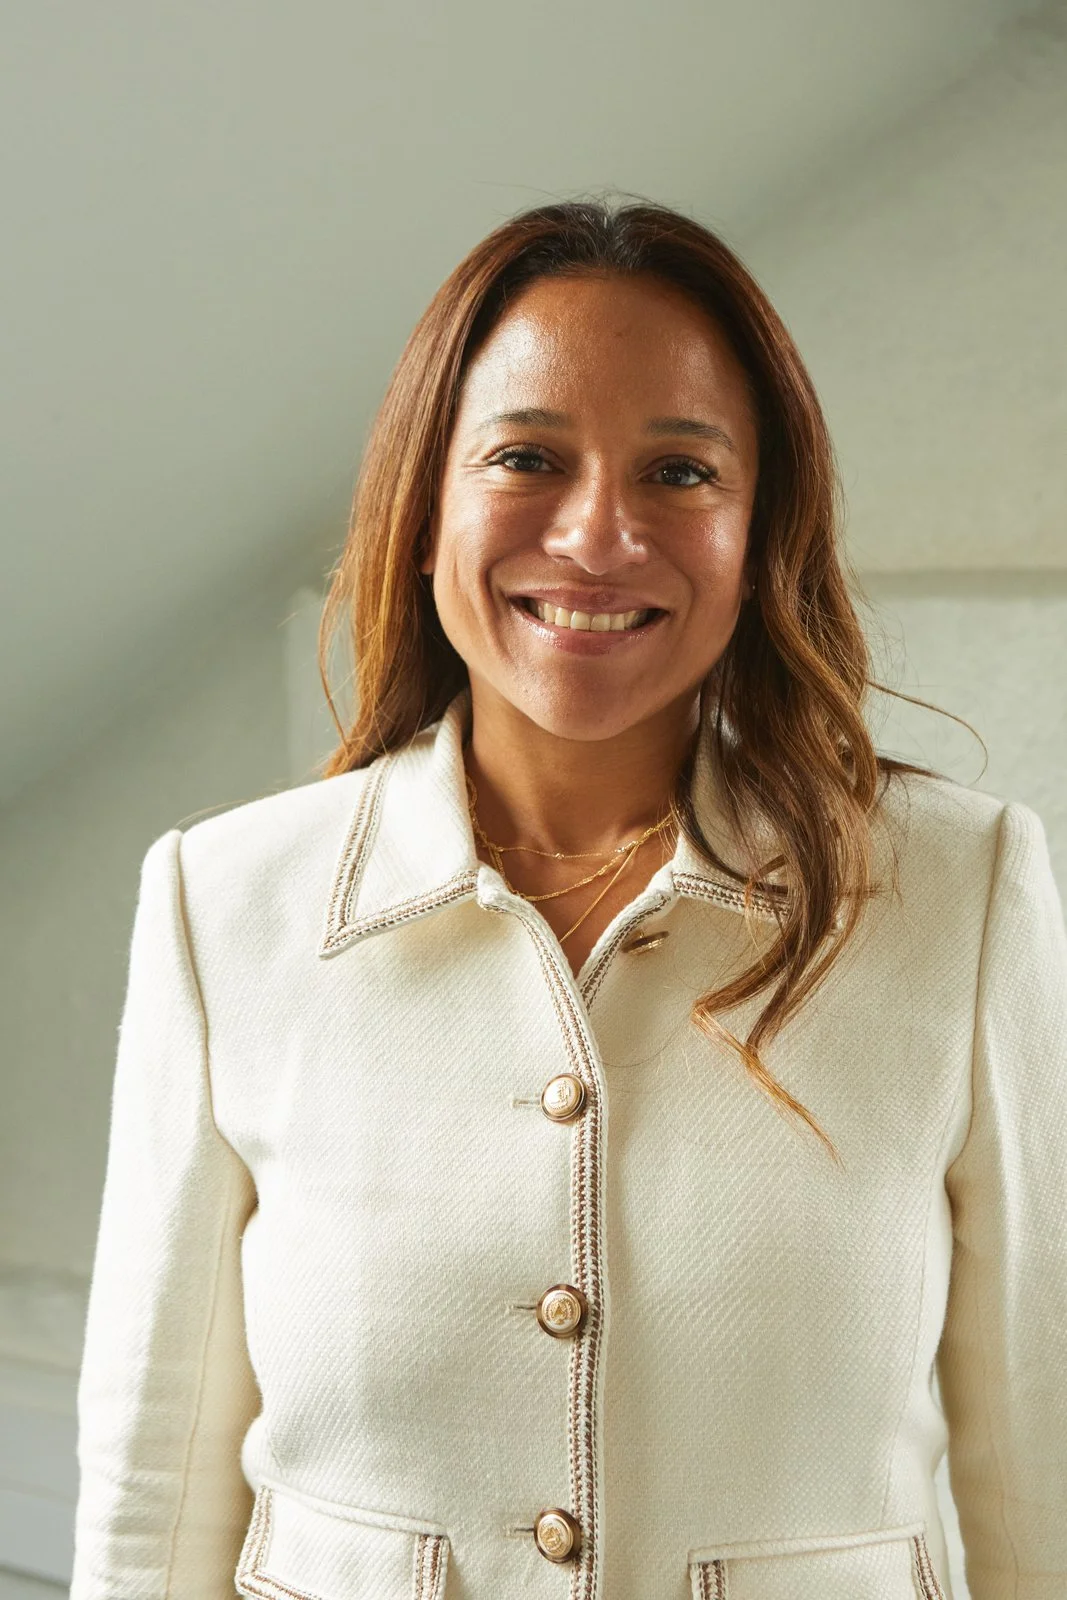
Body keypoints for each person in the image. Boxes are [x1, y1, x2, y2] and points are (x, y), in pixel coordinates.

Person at [69, 198, 1067, 1600]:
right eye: (526, 457)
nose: (598, 535)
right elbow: (155, 1477)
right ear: (423, 513)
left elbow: (1043, 1450)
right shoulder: (222, 902)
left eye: (679, 473)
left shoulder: (960, 890)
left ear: (757, 533)